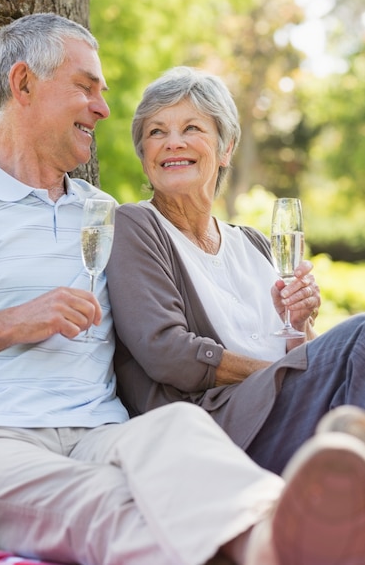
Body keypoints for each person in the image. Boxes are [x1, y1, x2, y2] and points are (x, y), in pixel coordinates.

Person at [0, 11, 363, 565]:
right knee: (104, 502)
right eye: (85, 88)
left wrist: (298, 332)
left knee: (182, 432)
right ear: (23, 83)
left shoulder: (101, 213)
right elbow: (167, 346)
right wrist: (12, 322)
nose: (103, 108)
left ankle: (285, 532)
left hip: (101, 431)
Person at [106, 64, 365, 476]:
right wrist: (288, 377)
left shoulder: (253, 243)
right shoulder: (137, 226)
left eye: (191, 128)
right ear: (144, 156)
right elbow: (167, 353)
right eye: (156, 132)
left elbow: (297, 353)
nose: (173, 143)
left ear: (226, 148)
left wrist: (298, 326)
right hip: (216, 425)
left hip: (281, 411)